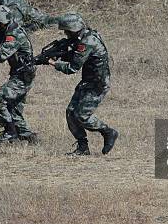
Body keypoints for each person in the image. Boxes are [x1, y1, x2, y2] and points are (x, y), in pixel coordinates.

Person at [44, 13, 118, 155]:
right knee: (71, 113)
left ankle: (108, 131)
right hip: (88, 82)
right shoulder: (83, 37)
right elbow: (75, 55)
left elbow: (72, 68)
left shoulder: (87, 42)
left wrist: (53, 63)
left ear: (74, 29)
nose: (66, 34)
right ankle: (82, 148)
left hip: (98, 84)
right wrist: (60, 54)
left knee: (82, 116)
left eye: (67, 31)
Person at [0, 5, 38, 143]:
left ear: (1, 22)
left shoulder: (14, 35)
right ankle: (26, 135)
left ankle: (10, 133)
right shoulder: (10, 30)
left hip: (22, 76)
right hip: (21, 74)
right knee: (13, 108)